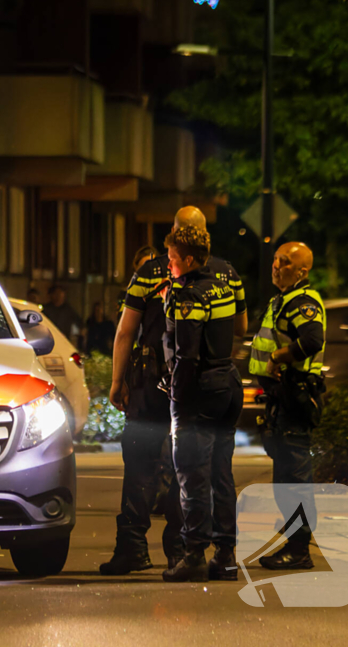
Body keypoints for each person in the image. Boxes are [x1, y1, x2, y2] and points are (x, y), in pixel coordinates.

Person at [101, 207, 245, 576]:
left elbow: (124, 332)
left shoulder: (153, 273)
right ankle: (186, 548)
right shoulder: (227, 273)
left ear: (179, 238)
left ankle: (136, 547)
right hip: (216, 383)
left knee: (145, 465)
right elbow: (241, 326)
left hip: (162, 384)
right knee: (207, 470)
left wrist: (117, 382)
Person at [160, 226, 243, 583]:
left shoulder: (188, 295)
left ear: (188, 259)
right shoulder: (222, 283)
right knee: (222, 474)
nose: (169, 264)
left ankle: (193, 553)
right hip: (227, 386)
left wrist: (177, 395)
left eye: (173, 258)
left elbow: (186, 354)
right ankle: (225, 555)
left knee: (192, 474)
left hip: (200, 393)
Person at [250, 242, 327, 571]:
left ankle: (299, 550)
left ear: (302, 271)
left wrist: (279, 358)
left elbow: (312, 340)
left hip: (295, 397)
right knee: (285, 477)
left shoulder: (303, 302)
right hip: (282, 398)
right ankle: (294, 544)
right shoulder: (283, 299)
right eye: (276, 260)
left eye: (286, 261)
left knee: (294, 477)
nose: (277, 265)